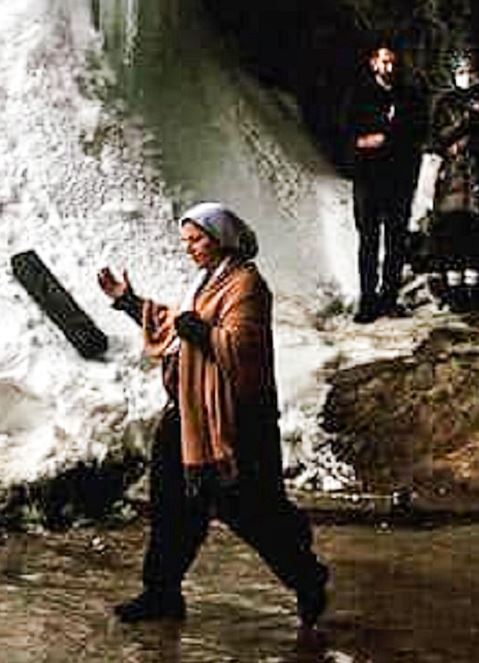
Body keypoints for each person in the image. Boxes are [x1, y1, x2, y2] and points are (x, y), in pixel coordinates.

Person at [98, 203, 330, 628]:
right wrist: (128, 301)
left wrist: (204, 334)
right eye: (185, 240)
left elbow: (243, 350)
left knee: (249, 509)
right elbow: (172, 327)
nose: (190, 248)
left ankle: (306, 577)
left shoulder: (246, 285)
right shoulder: (205, 283)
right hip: (187, 413)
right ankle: (161, 592)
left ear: (221, 238)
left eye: (197, 239)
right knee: (169, 503)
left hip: (235, 419)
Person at [341, 45, 424, 323]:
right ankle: (368, 299)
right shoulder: (358, 95)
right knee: (368, 240)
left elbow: (417, 134)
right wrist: (365, 142)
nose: (389, 67)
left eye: (393, 62)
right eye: (384, 62)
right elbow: (346, 133)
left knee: (395, 241)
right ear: (373, 63)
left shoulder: (408, 97)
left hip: (399, 181)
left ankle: (389, 297)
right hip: (368, 180)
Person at [425, 49, 479, 312]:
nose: (467, 76)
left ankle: (475, 288)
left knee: (478, 231)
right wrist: (463, 125)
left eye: (470, 71)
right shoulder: (445, 103)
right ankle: (454, 290)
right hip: (451, 176)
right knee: (452, 231)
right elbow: (435, 139)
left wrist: (477, 143)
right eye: (461, 72)